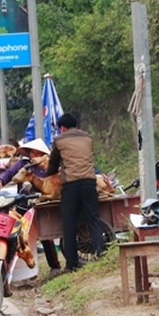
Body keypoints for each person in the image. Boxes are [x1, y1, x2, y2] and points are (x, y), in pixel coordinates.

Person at [0, 138, 61, 271]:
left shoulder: (48, 166)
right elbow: (9, 173)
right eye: (29, 152)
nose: (31, 155)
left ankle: (55, 266)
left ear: (38, 152)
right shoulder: (23, 164)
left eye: (33, 152)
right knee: (16, 236)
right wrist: (1, 181)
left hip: (42, 206)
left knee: (46, 238)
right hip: (23, 205)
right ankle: (14, 271)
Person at [47, 113, 104, 272]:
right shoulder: (88, 138)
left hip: (71, 186)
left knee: (69, 224)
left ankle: (71, 264)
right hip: (89, 183)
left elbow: (53, 164)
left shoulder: (59, 140)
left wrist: (49, 174)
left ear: (62, 128)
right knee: (93, 219)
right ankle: (100, 254)